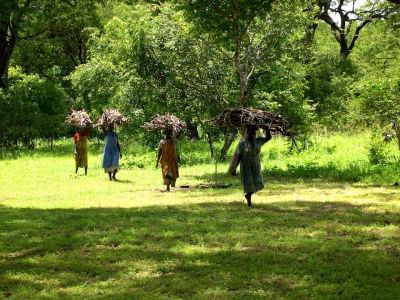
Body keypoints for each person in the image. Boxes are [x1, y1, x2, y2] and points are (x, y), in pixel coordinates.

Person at [230, 126, 272, 207]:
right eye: (251, 133)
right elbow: (238, 156)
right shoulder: (242, 143)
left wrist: (267, 129)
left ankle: (248, 195)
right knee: (249, 184)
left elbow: (268, 138)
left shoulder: (258, 141)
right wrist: (234, 168)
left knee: (258, 183)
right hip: (246, 165)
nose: (252, 134)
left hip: (255, 164)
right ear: (247, 133)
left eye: (254, 133)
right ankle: (249, 200)